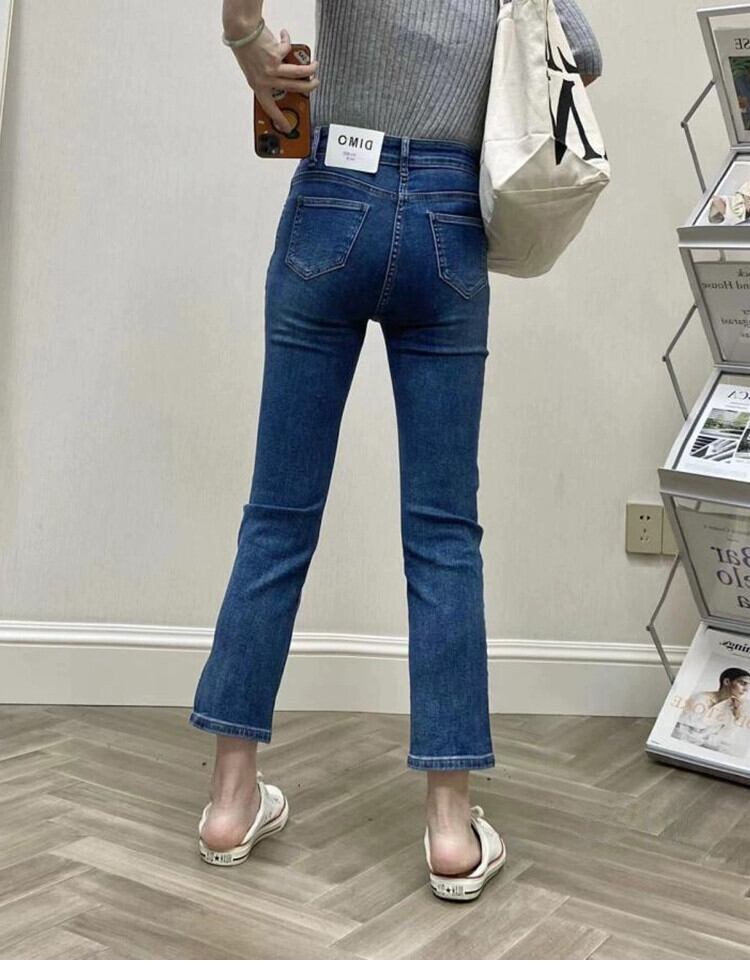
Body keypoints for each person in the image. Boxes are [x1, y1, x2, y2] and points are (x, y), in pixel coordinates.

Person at [189, 0, 603, 900]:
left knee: (277, 517)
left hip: (331, 199)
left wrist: (245, 39)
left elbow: (247, 14)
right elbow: (584, 54)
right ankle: (450, 828)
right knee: (445, 533)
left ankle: (229, 799)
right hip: (449, 220)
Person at [672, 667, 750, 758]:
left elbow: (728, 736)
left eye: (748, 685)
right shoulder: (701, 699)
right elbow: (682, 731)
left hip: (709, 748)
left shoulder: (733, 705)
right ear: (727, 682)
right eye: (743, 683)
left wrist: (737, 714)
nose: (746, 689)